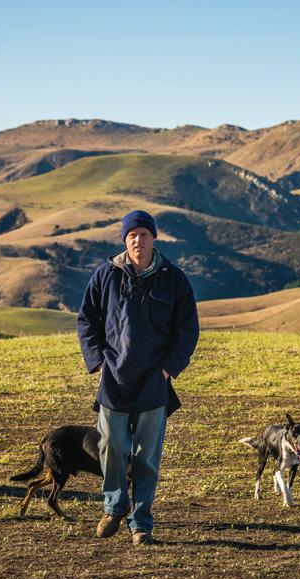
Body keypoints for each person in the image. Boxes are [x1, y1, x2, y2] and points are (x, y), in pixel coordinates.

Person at [76, 209, 199, 545]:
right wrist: (98, 362)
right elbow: (86, 320)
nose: (138, 241)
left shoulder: (173, 278)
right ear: (125, 240)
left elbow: (187, 329)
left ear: (154, 238)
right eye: (132, 236)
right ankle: (115, 506)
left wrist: (168, 368)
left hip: (154, 380)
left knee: (147, 457)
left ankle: (141, 523)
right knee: (111, 446)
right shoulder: (106, 274)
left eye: (144, 235)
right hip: (113, 377)